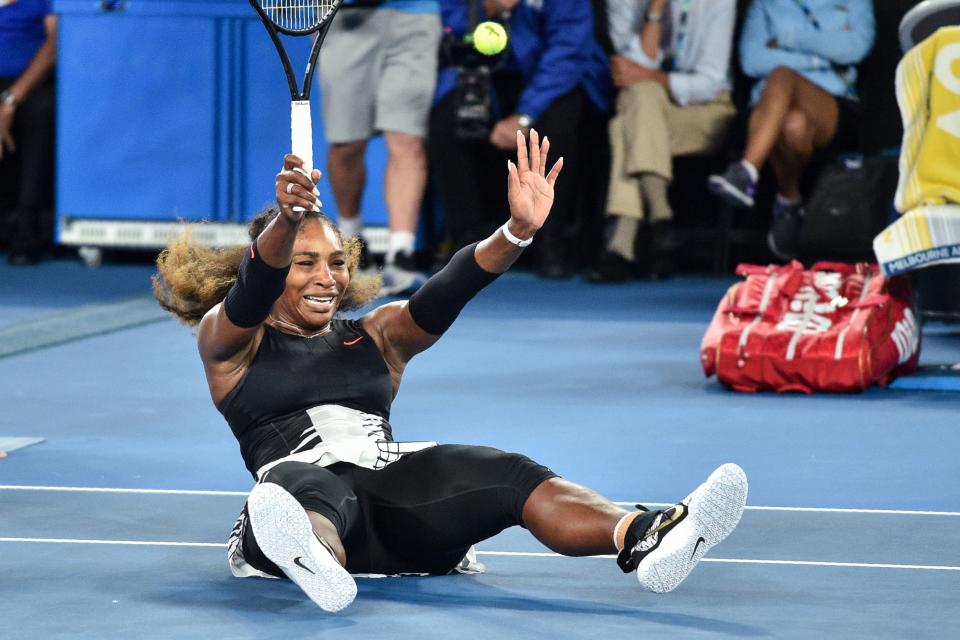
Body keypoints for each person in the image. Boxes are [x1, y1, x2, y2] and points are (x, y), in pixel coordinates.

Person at [152, 132, 747, 612]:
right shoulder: (231, 341)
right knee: (306, 486)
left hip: (396, 504)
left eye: (335, 262)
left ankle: (645, 534)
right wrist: (286, 221)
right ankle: (312, 558)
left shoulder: (376, 334)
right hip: (309, 495)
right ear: (276, 265)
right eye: (304, 263)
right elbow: (252, 293)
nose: (326, 277)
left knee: (507, 472)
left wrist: (517, 232)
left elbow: (445, 292)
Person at [429, 0, 614, 278]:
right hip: (483, 78)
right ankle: (463, 238)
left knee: (559, 121)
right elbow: (446, 31)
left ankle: (550, 237)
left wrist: (526, 114)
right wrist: (486, 10)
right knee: (446, 120)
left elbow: (568, 51)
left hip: (549, 82)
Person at [707, 0, 875, 260]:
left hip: (830, 103)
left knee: (783, 74)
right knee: (793, 125)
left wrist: (787, 40)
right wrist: (823, 52)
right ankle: (789, 201)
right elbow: (752, 60)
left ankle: (747, 171)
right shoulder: (765, 4)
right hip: (770, 111)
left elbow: (855, 48)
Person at [589, 0, 737, 282]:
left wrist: (649, 77)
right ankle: (661, 219)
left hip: (706, 111)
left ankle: (622, 242)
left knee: (627, 123)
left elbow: (709, 82)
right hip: (647, 110)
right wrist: (655, 11)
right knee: (639, 100)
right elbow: (630, 72)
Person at [318, 0, 442, 295]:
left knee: (406, 139)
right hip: (346, 19)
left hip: (415, 14)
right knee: (347, 143)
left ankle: (402, 253)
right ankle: (353, 242)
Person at [0, 0, 57, 265]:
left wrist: (11, 100)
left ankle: (27, 228)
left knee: (42, 110)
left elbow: (54, 44)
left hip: (28, 86)